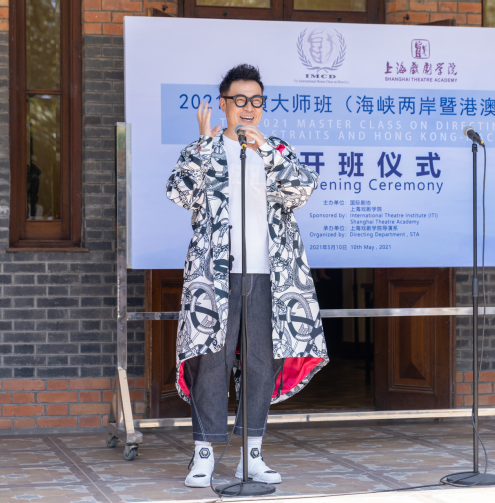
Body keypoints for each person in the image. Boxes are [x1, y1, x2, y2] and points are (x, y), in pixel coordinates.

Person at [166, 64, 329, 488]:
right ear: (223, 104)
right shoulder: (204, 148)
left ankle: (251, 455)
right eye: (240, 100)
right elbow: (180, 192)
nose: (248, 108)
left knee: (261, 362)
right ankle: (204, 455)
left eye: (256, 100)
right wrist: (203, 146)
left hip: (269, 274)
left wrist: (267, 152)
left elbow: (302, 191)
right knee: (211, 359)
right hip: (216, 275)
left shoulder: (276, 149)